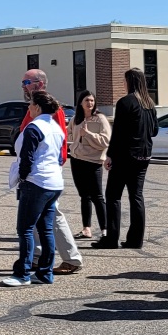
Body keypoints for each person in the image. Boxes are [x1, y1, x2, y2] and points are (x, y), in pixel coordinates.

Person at [17, 69, 82, 273]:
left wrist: (57, 162)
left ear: (40, 84)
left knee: (52, 215)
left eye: (27, 81)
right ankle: (36, 257)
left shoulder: (50, 108)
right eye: (23, 81)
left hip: (43, 173)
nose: (24, 86)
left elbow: (60, 139)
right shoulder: (33, 108)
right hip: (36, 172)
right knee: (38, 217)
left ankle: (72, 258)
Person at [3, 92, 67, 287]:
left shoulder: (34, 128)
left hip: (36, 181)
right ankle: (45, 273)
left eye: (30, 104)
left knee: (25, 229)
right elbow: (58, 155)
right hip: (55, 181)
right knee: (46, 229)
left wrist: (22, 177)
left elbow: (26, 157)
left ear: (38, 107)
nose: (28, 108)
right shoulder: (56, 128)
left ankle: (22, 273)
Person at [94, 68, 158, 250]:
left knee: (113, 196)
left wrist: (110, 155)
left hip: (125, 156)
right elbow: (154, 131)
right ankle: (135, 240)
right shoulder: (149, 104)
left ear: (129, 81)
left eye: (124, 81)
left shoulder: (125, 102)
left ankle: (111, 238)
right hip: (144, 155)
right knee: (136, 196)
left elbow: (119, 132)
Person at [68, 90, 111, 240]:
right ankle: (86, 229)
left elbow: (105, 141)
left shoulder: (100, 119)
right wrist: (72, 147)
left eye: (92, 100)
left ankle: (105, 230)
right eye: (87, 100)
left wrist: (88, 135)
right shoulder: (76, 119)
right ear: (81, 102)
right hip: (77, 160)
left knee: (97, 197)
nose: (90, 103)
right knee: (84, 196)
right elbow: (69, 135)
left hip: (93, 162)